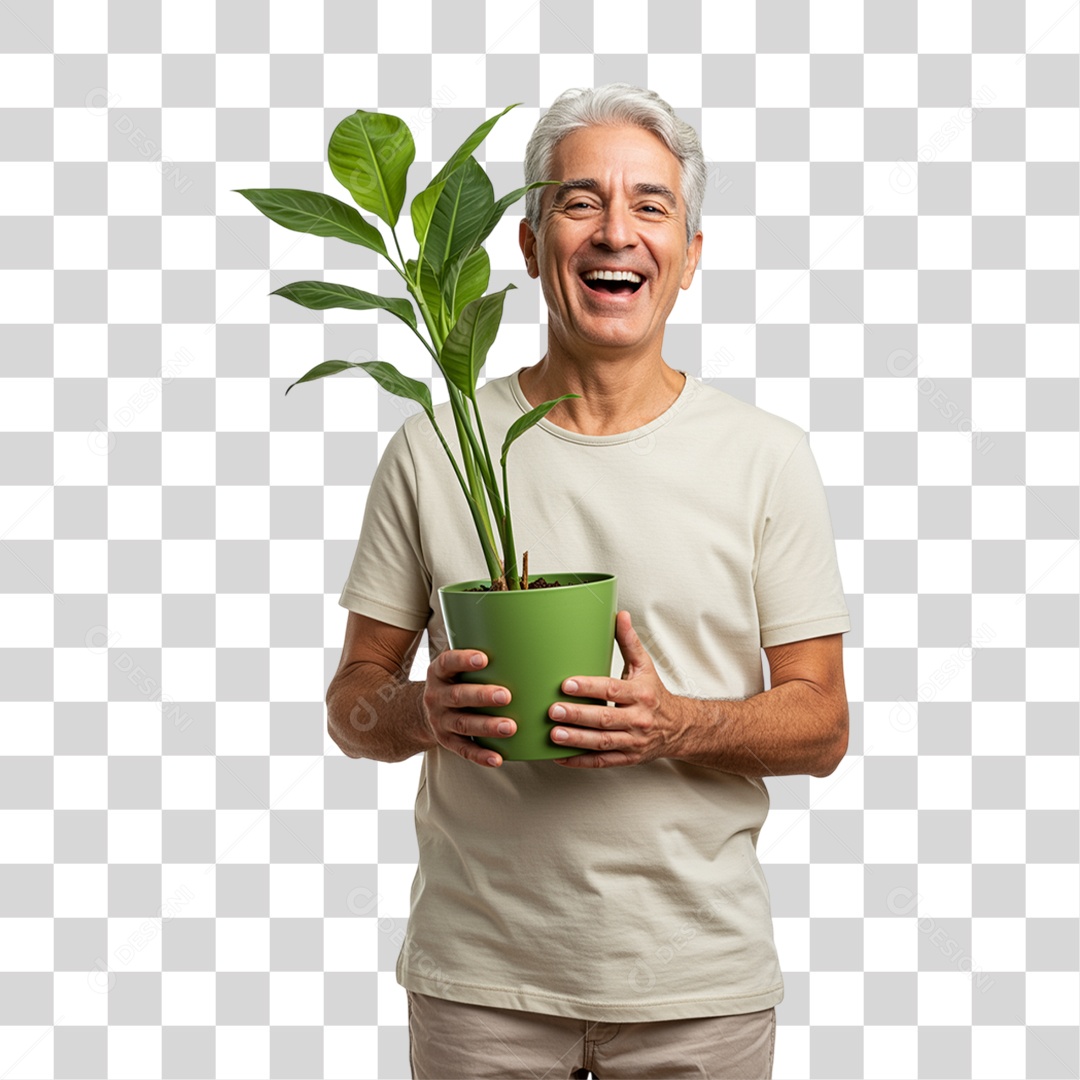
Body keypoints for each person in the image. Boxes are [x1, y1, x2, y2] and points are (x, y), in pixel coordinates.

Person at [327, 83, 850, 1080]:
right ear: (526, 246)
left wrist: (679, 724)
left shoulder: (766, 457)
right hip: (482, 987)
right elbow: (351, 701)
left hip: (695, 988)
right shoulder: (438, 445)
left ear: (691, 255)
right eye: (579, 202)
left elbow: (822, 726)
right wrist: (414, 712)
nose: (617, 232)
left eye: (652, 206)